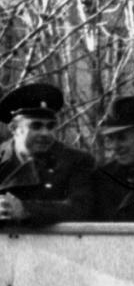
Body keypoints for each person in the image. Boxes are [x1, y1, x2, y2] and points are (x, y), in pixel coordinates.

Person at [0, 81, 96, 226]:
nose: (45, 133)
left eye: (50, 126)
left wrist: (26, 210)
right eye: (36, 126)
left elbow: (81, 208)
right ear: (14, 128)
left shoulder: (76, 161)